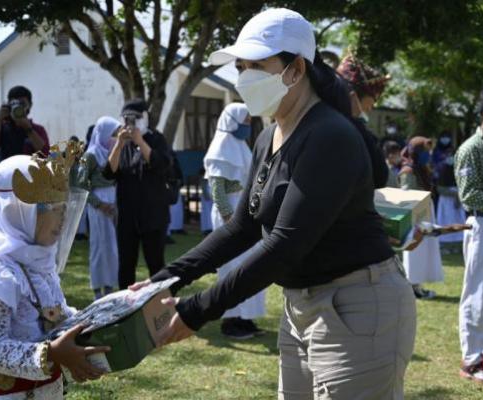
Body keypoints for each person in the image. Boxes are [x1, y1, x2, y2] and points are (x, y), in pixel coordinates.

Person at [133, 8, 416, 399]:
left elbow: (286, 243)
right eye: (241, 66)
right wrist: (163, 280)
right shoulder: (269, 136)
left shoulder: (329, 136)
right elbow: (243, 226)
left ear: (296, 70)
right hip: (299, 306)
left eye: (256, 65)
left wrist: (196, 310)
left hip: (357, 305)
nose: (244, 76)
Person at [0, 150, 110, 399]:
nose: (62, 219)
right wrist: (51, 354)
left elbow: (55, 315)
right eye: (52, 209)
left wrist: (99, 320)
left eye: (64, 208)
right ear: (18, 211)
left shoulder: (38, 266)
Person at [204, 102, 266, 339]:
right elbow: (217, 190)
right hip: (229, 218)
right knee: (231, 269)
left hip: (245, 217)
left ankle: (246, 318)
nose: (248, 126)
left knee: (250, 267)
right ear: (233, 121)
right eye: (246, 121)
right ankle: (230, 321)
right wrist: (231, 218)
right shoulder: (220, 148)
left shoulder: (240, 146)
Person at [103, 99, 172, 289]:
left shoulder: (157, 139)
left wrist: (140, 141)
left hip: (153, 215)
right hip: (127, 216)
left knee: (156, 264)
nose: (130, 123)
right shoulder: (121, 144)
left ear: (145, 118)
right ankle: (126, 308)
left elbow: (161, 165)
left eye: (135, 119)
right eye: (126, 119)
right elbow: (109, 173)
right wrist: (119, 144)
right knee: (126, 265)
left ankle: (159, 306)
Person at [76, 117, 120, 299]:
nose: (115, 138)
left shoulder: (113, 153)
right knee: (99, 246)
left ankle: (109, 286)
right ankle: (97, 288)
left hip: (113, 201)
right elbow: (81, 184)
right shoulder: (90, 155)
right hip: (98, 204)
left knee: (111, 246)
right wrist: (100, 204)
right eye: (113, 135)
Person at [455, 106, 483, 383]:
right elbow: (470, 194)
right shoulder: (470, 148)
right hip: (480, 224)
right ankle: (472, 359)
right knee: (477, 293)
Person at [336, 53, 390, 188]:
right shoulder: (346, 129)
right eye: (373, 101)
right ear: (354, 97)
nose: (371, 108)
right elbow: (379, 176)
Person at [399, 137, 444, 299]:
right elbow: (406, 198)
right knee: (414, 252)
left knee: (424, 252)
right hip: (415, 217)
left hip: (424, 213)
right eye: (424, 151)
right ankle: (412, 286)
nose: (427, 155)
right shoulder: (408, 171)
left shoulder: (421, 169)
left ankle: (418, 285)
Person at [0, 85, 50, 160]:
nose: (18, 107)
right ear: (8, 105)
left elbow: (45, 153)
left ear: (30, 105)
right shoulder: (2, 128)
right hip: (8, 170)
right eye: (14, 104)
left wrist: (28, 129)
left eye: (22, 104)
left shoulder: (37, 129)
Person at [433, 132, 466, 254]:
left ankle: (457, 245)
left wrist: (459, 195)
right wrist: (454, 194)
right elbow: (440, 188)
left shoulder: (459, 167)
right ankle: (444, 246)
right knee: (445, 221)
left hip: (457, 199)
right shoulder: (443, 168)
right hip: (446, 199)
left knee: (458, 221)